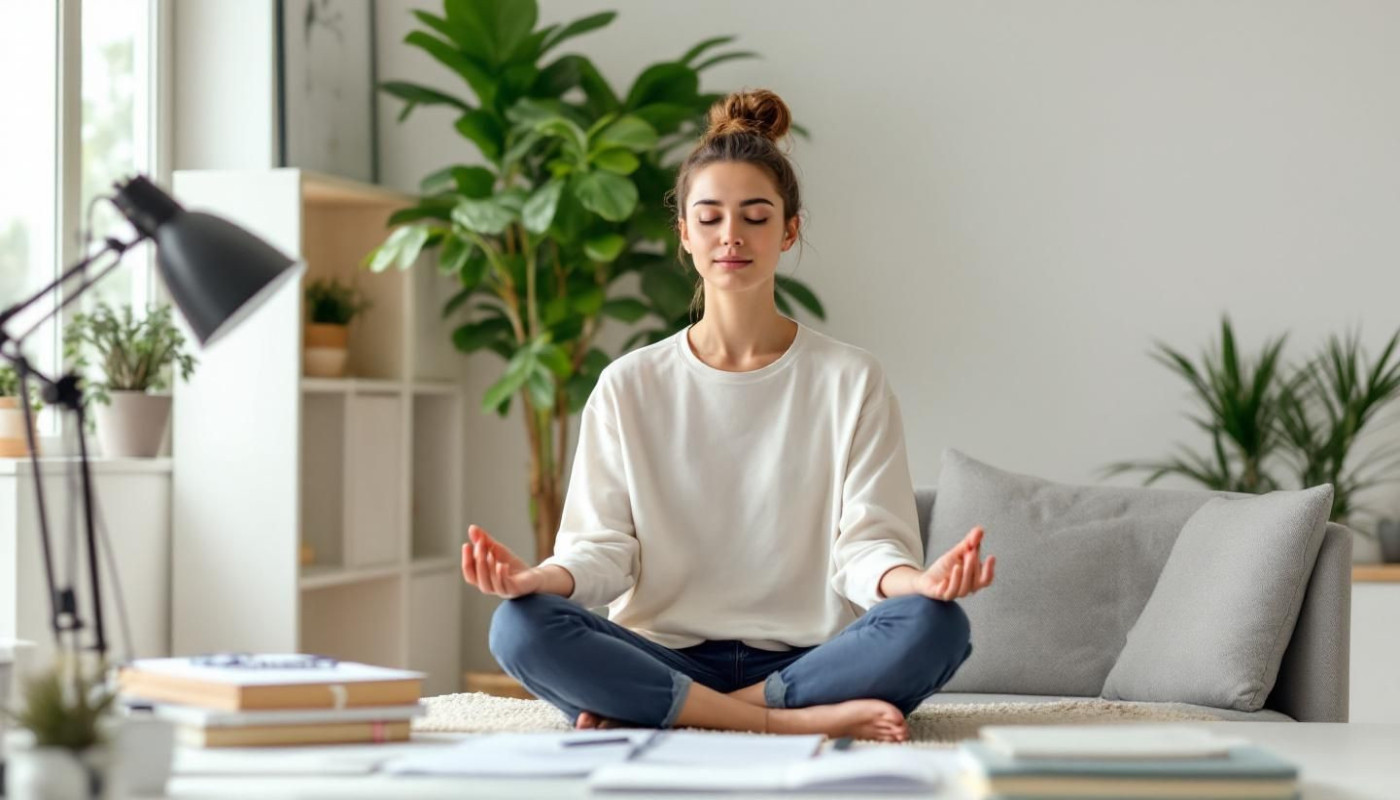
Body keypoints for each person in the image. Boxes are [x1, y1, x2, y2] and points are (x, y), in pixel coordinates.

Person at [462, 89, 995, 743]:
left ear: (789, 229)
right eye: (709, 218)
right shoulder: (629, 385)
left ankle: (676, 710)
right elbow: (601, 550)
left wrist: (921, 580)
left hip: (808, 658)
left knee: (936, 624)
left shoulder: (852, 381)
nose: (731, 236)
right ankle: (784, 720)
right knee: (518, 625)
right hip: (662, 652)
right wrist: (535, 577)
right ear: (684, 233)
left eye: (756, 216)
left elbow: (866, 546)